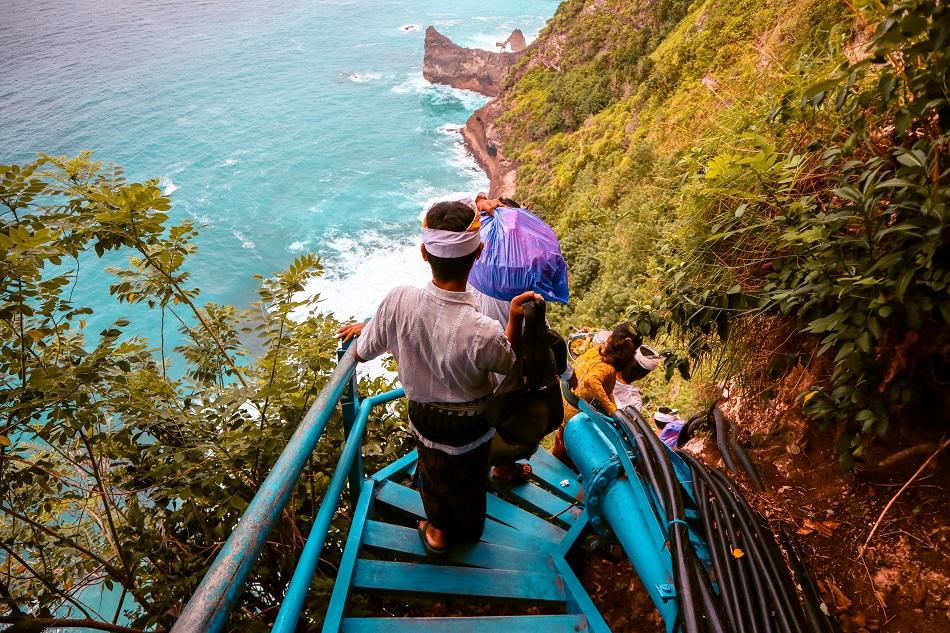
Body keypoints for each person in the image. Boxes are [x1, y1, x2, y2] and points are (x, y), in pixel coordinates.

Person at [337, 200, 540, 553]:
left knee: (433, 474)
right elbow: (508, 362)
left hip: (425, 417)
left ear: (423, 253)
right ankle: (469, 531)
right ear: (478, 254)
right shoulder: (482, 329)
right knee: (470, 477)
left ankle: (438, 533)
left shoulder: (398, 301)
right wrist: (514, 319)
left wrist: (369, 328)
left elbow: (361, 351)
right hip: (473, 425)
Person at [552, 323, 663, 464]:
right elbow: (592, 381)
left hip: (562, 407)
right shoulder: (631, 398)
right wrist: (612, 409)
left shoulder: (597, 351)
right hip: (581, 433)